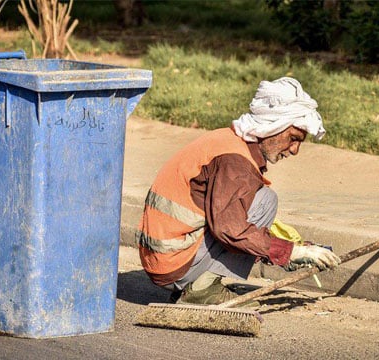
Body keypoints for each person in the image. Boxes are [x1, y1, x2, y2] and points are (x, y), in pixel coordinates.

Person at [135, 77, 341, 305]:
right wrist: (292, 252)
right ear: (273, 127)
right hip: (174, 263)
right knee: (265, 201)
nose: (294, 150)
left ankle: (196, 284)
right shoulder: (235, 163)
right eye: (293, 139)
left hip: (164, 258)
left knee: (259, 202)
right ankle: (202, 290)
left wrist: (289, 250)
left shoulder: (229, 140)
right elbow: (231, 230)